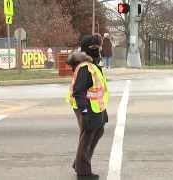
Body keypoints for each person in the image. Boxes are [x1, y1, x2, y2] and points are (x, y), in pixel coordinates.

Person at [66, 34, 109, 179]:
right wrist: (84, 112)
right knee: (88, 135)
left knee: (98, 131)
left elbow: (97, 90)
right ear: (89, 49)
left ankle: (79, 163)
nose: (99, 49)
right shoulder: (85, 67)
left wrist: (103, 113)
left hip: (95, 107)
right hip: (86, 107)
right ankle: (83, 172)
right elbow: (79, 92)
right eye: (96, 47)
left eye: (99, 46)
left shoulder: (93, 64)